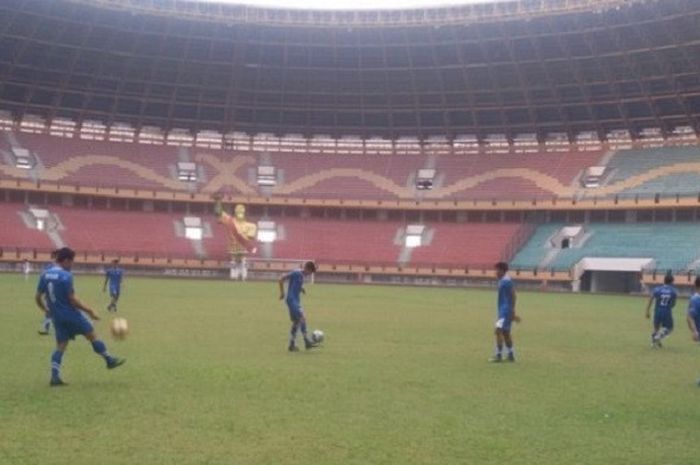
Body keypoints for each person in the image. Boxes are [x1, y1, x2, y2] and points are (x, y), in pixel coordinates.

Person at [35, 247, 125, 386]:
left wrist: (45, 309)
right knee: (92, 335)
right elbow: (72, 299)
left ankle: (54, 377)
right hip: (72, 315)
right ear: (66, 260)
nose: (72, 265)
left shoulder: (45, 274)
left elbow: (37, 297)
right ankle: (109, 360)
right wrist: (89, 311)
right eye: (71, 262)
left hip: (57, 317)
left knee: (61, 346)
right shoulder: (66, 276)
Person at [213, 194, 257, 281]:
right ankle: (238, 277)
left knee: (240, 262)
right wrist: (218, 202)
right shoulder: (232, 221)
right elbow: (219, 213)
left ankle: (239, 277)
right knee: (237, 262)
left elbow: (219, 213)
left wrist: (218, 202)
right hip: (237, 246)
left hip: (239, 247)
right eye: (238, 211)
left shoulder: (248, 225)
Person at [278, 261, 319, 352]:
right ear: (307, 269)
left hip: (295, 300)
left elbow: (296, 283)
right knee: (302, 318)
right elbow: (281, 278)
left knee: (296, 322)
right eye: (311, 272)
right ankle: (306, 342)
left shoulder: (301, 275)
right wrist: (282, 293)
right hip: (292, 300)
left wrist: (301, 288)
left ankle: (291, 345)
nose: (310, 275)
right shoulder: (297, 273)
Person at [489, 262, 520, 363]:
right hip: (504, 310)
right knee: (506, 332)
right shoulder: (504, 280)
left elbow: (514, 295)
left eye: (497, 270)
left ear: (502, 270)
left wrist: (512, 311)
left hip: (505, 311)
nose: (495, 272)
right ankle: (511, 355)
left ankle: (498, 355)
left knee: (498, 331)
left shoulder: (506, 281)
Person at [645, 273, 678, 348]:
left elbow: (650, 299)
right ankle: (658, 337)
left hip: (657, 311)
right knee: (669, 328)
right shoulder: (673, 291)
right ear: (672, 282)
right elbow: (673, 304)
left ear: (664, 281)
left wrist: (647, 310)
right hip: (666, 311)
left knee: (656, 328)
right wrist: (670, 305)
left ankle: (654, 344)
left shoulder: (657, 289)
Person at [37, 250, 59, 336]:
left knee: (58, 311)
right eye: (54, 256)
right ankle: (46, 328)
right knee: (48, 311)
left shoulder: (62, 268)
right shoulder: (49, 267)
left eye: (56, 256)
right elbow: (43, 277)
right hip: (49, 293)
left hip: (59, 294)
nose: (55, 258)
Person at [686, 277, 700, 386]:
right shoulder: (695, 299)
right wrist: (695, 331)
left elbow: (689, 317)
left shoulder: (694, 299)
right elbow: (690, 316)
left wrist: (694, 331)